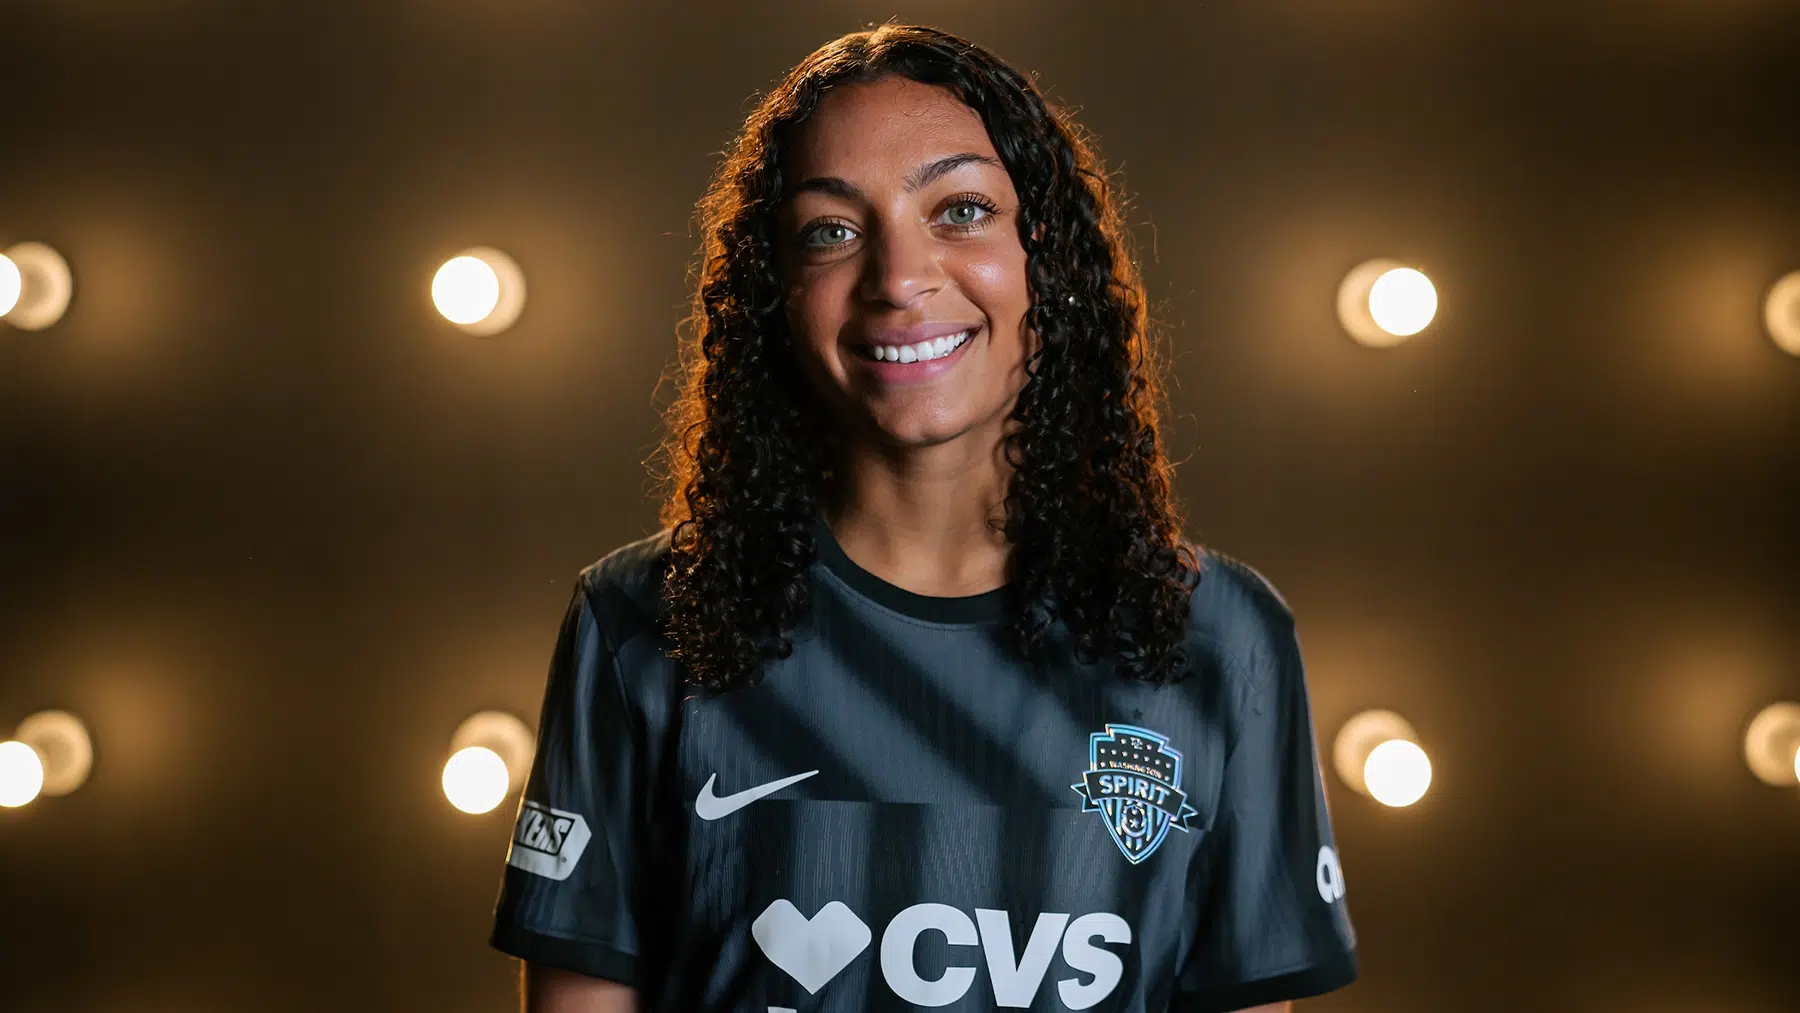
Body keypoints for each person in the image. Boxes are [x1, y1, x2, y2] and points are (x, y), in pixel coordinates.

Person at [488, 22, 1357, 1013]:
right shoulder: (642, 621)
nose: (899, 277)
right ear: (776, 293)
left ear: (1051, 261)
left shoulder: (1220, 635)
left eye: (963, 209)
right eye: (831, 228)